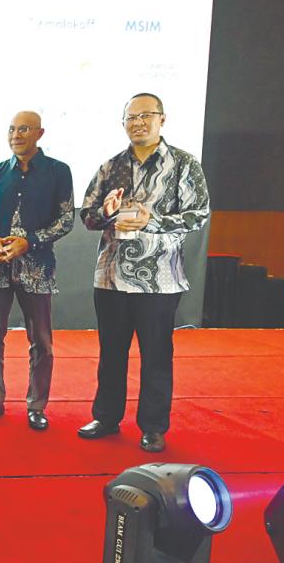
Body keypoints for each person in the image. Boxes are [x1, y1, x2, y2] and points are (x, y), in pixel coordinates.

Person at [77, 92, 210, 453]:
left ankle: (153, 426)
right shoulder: (111, 166)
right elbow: (87, 216)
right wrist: (105, 212)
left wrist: (153, 221)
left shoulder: (183, 164)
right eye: (131, 117)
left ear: (162, 119)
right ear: (123, 123)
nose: (138, 123)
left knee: (155, 356)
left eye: (145, 116)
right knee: (111, 353)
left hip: (160, 278)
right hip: (111, 276)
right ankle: (105, 417)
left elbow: (199, 214)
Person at [0, 111, 74, 431]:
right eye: (12, 129)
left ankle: (37, 405)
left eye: (24, 129)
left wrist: (29, 242)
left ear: (39, 134)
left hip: (37, 267)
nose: (16, 135)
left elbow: (66, 220)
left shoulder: (58, 171)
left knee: (41, 341)